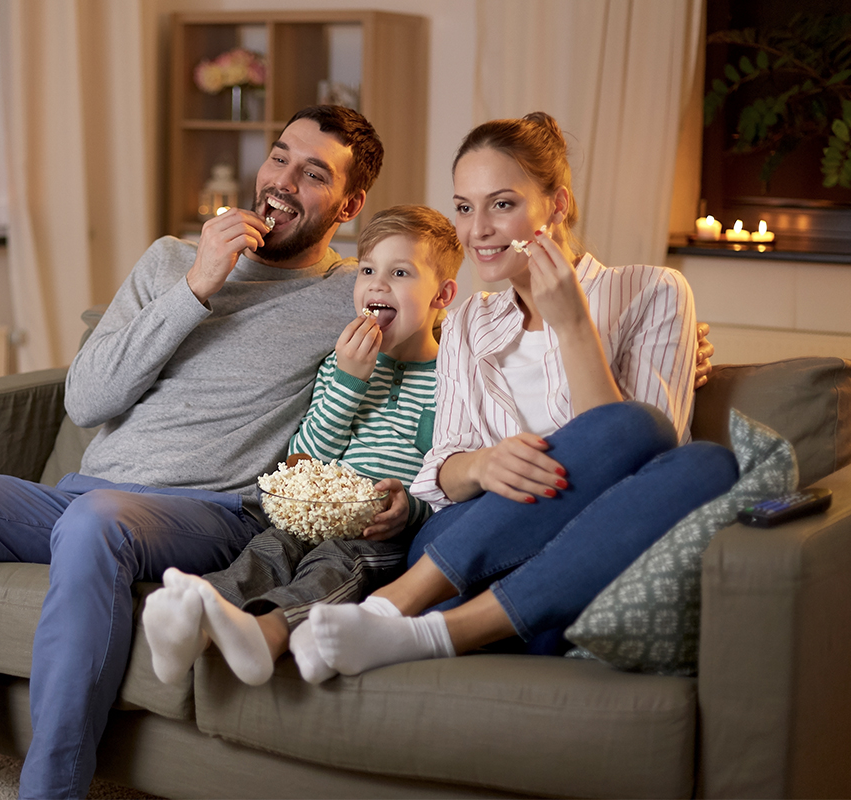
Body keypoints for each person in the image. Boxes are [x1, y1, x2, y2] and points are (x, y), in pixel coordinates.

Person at [0, 105, 385, 800]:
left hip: (211, 513)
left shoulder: (351, 297)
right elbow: (87, 399)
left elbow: (447, 336)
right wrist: (197, 285)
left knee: (96, 522)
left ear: (350, 204)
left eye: (314, 173)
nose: (284, 180)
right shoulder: (173, 261)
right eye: (279, 157)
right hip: (87, 492)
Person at [300, 112, 740, 679]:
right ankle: (402, 601)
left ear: (555, 205)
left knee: (702, 462)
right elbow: (441, 472)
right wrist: (484, 465)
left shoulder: (654, 291)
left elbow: (646, 466)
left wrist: (574, 327)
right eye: (464, 206)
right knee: (639, 426)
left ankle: (434, 629)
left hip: (586, 548)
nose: (478, 228)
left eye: (502, 204)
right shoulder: (465, 321)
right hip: (466, 544)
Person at [143, 204, 461, 688]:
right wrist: (350, 383)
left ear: (442, 295)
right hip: (317, 513)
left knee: (335, 563)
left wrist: (409, 511)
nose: (377, 285)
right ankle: (193, 624)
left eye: (400, 273)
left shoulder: (454, 382)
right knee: (267, 549)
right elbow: (306, 458)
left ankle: (267, 633)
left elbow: (451, 482)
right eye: (368, 270)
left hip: (381, 536)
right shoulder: (340, 366)